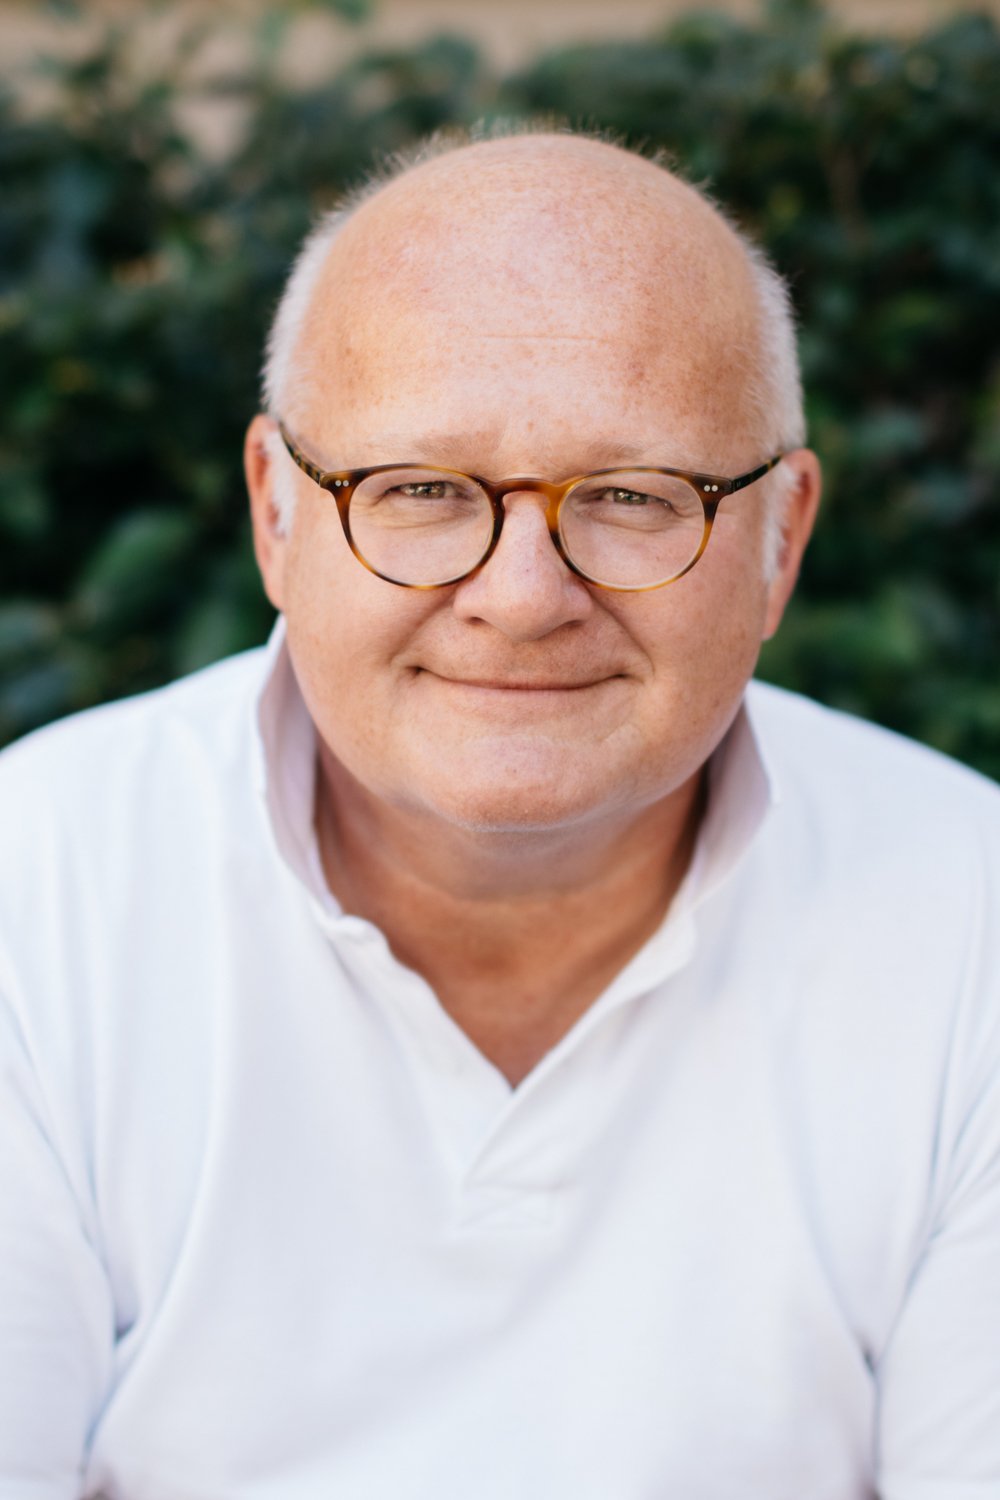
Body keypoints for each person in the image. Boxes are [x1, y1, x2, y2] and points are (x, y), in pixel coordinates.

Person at [0, 128, 997, 1500]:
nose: (523, 597)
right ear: (276, 515)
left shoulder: (973, 922)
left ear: (783, 541)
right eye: (419, 490)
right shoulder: (34, 891)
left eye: (635, 496)